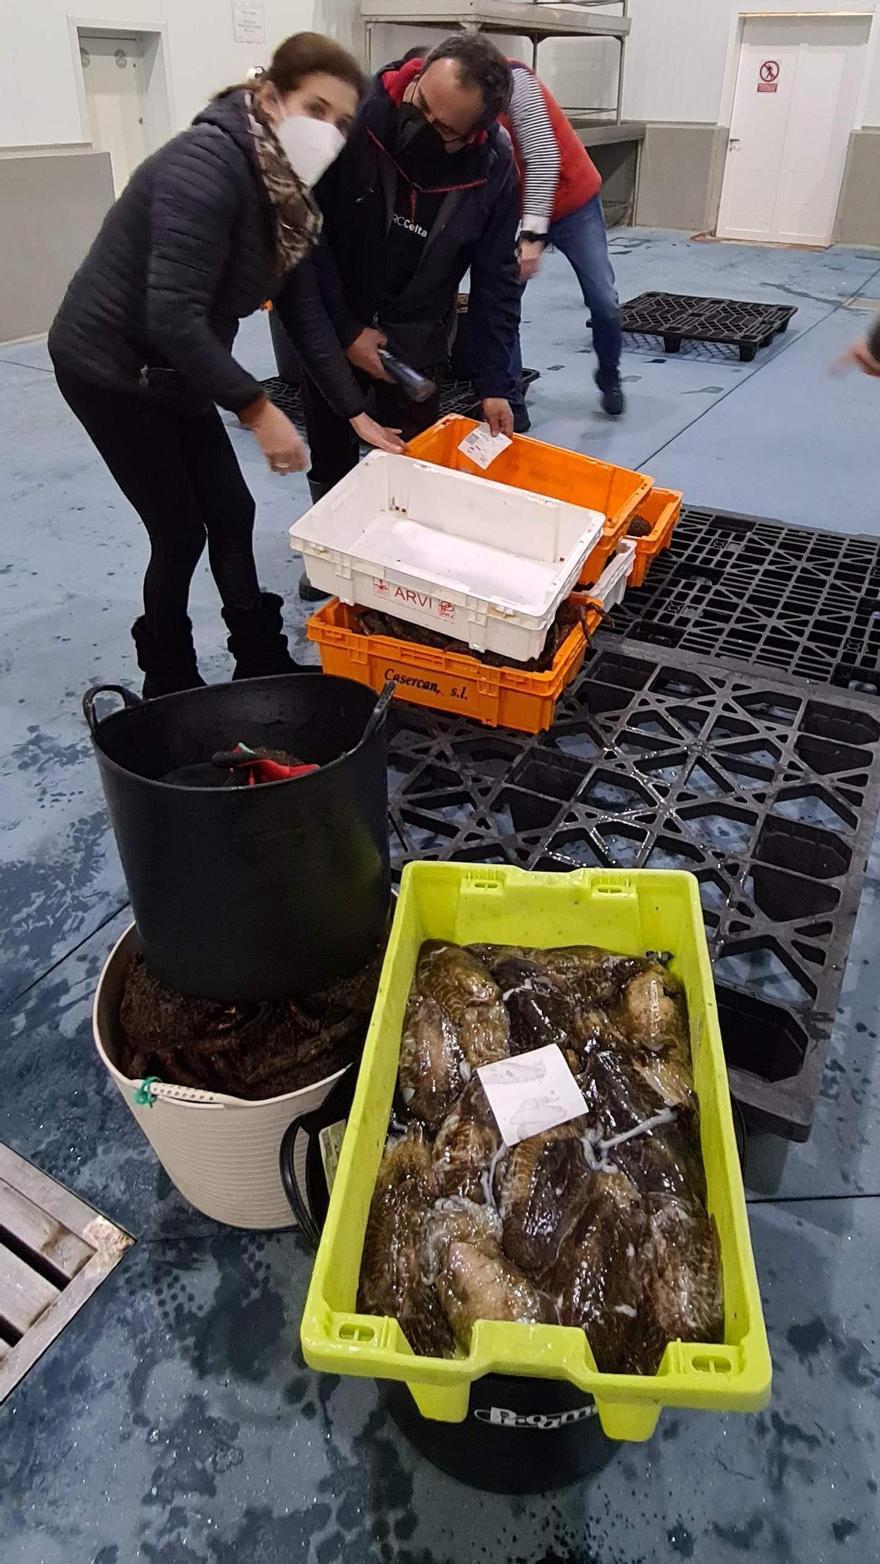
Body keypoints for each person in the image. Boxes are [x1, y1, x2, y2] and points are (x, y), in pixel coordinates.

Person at [49, 33, 400, 698]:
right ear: (271, 97)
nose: (327, 130)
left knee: (232, 512)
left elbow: (304, 313)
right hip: (109, 368)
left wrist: (353, 411)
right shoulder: (204, 166)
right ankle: (168, 675)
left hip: (179, 367)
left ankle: (259, 656)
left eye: (342, 121)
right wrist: (258, 408)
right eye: (314, 108)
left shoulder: (291, 196)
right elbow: (171, 314)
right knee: (179, 530)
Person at [300, 35, 522, 555]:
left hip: (418, 327)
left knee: (412, 447)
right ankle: (330, 548)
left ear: (475, 132)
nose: (420, 124)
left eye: (444, 127)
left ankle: (402, 553)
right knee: (331, 439)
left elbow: (496, 283)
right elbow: (310, 241)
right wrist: (345, 328)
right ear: (418, 75)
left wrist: (496, 382)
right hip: (337, 309)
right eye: (421, 103)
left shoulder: (492, 171)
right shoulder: (355, 118)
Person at [502, 60, 625, 427]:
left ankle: (609, 374)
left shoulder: (515, 84)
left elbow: (542, 160)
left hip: (574, 203)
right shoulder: (461, 112)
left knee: (603, 299)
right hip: (516, 208)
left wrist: (533, 238)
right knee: (502, 302)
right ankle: (512, 400)